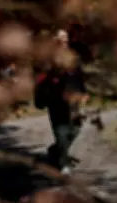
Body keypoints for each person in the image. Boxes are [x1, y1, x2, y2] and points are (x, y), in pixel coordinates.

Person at [34, 29, 88, 174]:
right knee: (61, 133)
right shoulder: (48, 59)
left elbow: (79, 76)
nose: (64, 42)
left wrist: (84, 93)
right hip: (55, 101)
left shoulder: (73, 57)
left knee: (75, 129)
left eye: (66, 39)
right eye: (60, 39)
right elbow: (40, 80)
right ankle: (63, 163)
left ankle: (55, 149)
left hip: (73, 100)